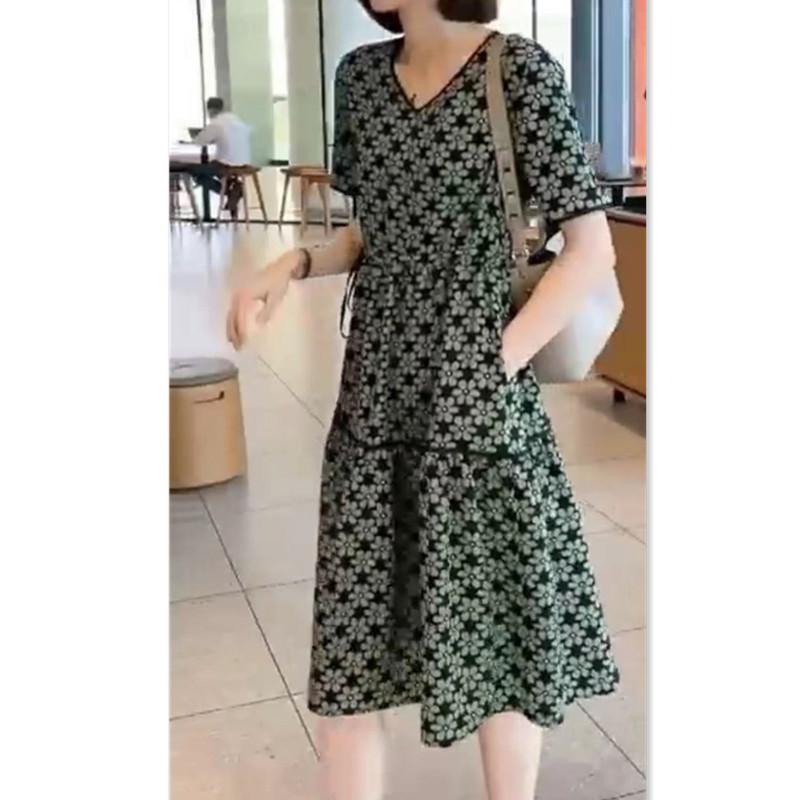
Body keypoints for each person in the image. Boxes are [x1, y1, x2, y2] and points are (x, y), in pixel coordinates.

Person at [227, 2, 620, 798]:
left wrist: (495, 362)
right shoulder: (361, 78)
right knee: (355, 641)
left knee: (502, 637)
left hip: (480, 408)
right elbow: (374, 229)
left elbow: (590, 250)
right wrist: (292, 263)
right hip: (377, 401)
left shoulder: (520, 72)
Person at [186, 97, 251, 215]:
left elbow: (199, 141)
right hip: (244, 162)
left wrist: (193, 139)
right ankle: (233, 188)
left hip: (226, 164)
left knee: (195, 172)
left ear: (209, 110)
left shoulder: (216, 123)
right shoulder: (235, 119)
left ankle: (229, 192)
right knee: (215, 167)